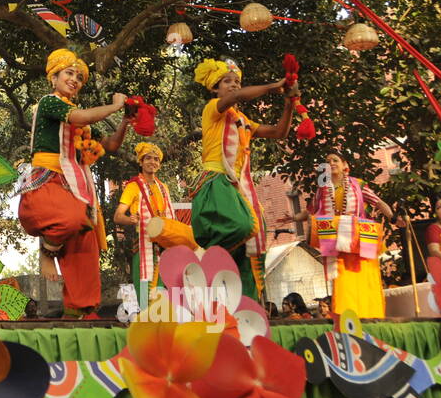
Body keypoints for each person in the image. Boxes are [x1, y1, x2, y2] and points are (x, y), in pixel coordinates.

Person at [18, 49, 130, 319]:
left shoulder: (85, 125)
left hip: (76, 186)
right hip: (47, 179)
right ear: (53, 78)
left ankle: (79, 311)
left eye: (79, 77)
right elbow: (81, 117)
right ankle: (48, 250)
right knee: (70, 219)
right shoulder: (49, 103)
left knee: (85, 245)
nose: (75, 80)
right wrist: (115, 106)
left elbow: (111, 145)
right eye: (69, 73)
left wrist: (126, 119)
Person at [190, 58, 298, 302]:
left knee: (245, 253)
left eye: (237, 81)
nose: (233, 85)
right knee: (245, 226)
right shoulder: (213, 108)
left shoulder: (243, 122)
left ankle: (245, 307)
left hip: (235, 187)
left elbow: (279, 132)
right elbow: (237, 98)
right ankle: (202, 259)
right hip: (215, 181)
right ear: (215, 88)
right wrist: (274, 86)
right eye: (227, 81)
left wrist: (289, 103)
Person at [291, 152, 394, 319]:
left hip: (359, 241)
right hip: (336, 243)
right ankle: (346, 319)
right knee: (342, 284)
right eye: (327, 161)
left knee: (366, 280)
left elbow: (378, 202)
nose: (331, 163)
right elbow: (310, 211)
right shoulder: (322, 189)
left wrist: (393, 217)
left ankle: (372, 316)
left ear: (344, 164)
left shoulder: (358, 185)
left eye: (335, 160)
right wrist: (294, 218)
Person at [113, 141, 176, 308]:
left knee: (162, 298)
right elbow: (118, 216)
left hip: (163, 248)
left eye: (156, 159)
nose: (152, 162)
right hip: (143, 247)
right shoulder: (133, 186)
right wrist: (130, 219)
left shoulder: (164, 188)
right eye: (148, 158)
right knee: (145, 295)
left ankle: (160, 330)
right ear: (140, 162)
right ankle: (146, 327)